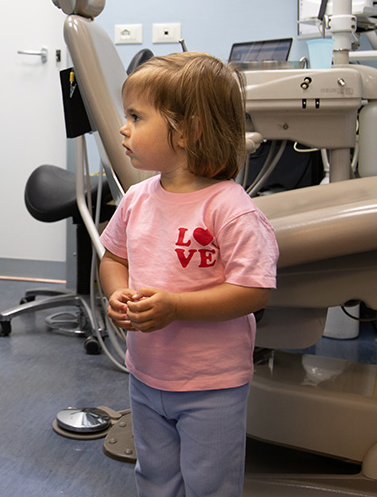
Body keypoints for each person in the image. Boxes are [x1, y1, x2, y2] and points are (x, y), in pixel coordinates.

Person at [98, 52, 278, 497]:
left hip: (211, 385)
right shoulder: (136, 199)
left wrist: (177, 307)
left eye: (137, 117)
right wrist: (117, 293)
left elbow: (253, 290)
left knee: (210, 485)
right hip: (146, 375)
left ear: (188, 131)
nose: (123, 128)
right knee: (155, 477)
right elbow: (114, 258)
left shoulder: (229, 209)